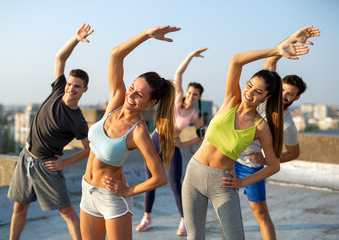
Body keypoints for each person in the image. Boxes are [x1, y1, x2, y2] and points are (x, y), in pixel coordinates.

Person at [182, 40, 310, 239]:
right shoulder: (232, 99)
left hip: (222, 181)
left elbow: (273, 166)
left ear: (266, 97)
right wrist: (276, 50)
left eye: (258, 92)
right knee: (194, 237)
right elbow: (236, 61)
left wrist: (242, 183)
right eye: (249, 86)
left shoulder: (261, 127)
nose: (249, 93)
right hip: (193, 174)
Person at [79, 25, 180, 240]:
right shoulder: (116, 102)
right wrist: (146, 35)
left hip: (112, 199)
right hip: (87, 190)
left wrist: (128, 191)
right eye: (132, 87)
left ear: (151, 102)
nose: (131, 95)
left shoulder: (138, 132)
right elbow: (116, 55)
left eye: (139, 94)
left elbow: (160, 177)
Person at [7, 24, 94, 240]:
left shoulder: (78, 121)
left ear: (85, 90)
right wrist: (75, 39)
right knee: (19, 207)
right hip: (26, 157)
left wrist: (64, 163)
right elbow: (59, 58)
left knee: (66, 212)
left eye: (77, 86)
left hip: (47, 166)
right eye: (70, 83)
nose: (71, 88)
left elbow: (89, 150)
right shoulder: (57, 89)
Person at [234, 25, 320, 240]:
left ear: (295, 99)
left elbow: (293, 153)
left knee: (260, 213)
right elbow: (272, 59)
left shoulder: (288, 125)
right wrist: (292, 39)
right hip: (227, 158)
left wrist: (265, 159)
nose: (284, 95)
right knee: (229, 212)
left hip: (251, 168)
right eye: (282, 90)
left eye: (290, 94)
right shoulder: (263, 96)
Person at [136, 48, 207, 236]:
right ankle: (147, 217)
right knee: (150, 179)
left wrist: (183, 144)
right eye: (190, 92)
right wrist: (191, 55)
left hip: (173, 145)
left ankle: (184, 220)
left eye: (196, 95)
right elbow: (178, 73)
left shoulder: (195, 115)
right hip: (156, 139)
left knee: (176, 184)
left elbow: (202, 136)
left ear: (199, 97)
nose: (191, 96)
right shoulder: (176, 98)